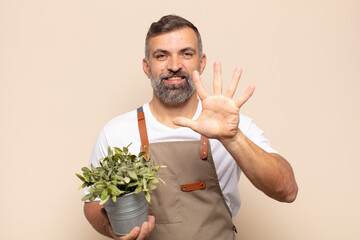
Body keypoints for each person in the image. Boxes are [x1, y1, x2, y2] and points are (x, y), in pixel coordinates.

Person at [83, 15, 298, 240]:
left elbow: (287, 190)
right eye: (161, 56)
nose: (174, 66)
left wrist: (233, 138)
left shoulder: (232, 124)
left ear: (201, 63)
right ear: (147, 67)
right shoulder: (117, 131)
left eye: (186, 54)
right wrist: (113, 230)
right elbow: (92, 205)